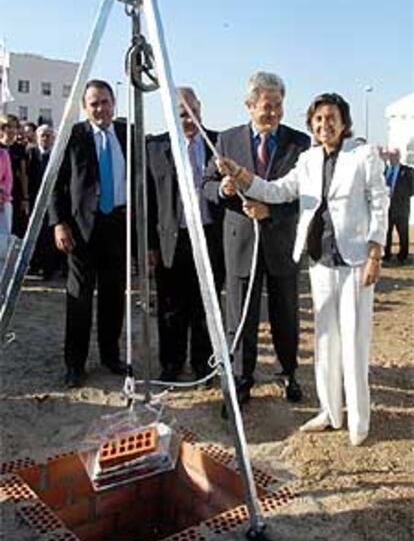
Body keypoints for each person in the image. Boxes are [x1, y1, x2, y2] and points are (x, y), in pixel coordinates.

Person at [216, 92, 389, 446]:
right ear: (311, 123)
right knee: (325, 340)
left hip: (355, 262)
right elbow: (277, 191)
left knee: (354, 342)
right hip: (320, 262)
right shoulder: (308, 159)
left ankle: (358, 419)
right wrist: (241, 175)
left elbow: (380, 202)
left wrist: (375, 253)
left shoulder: (363, 154)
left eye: (332, 118)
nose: (325, 124)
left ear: (344, 122)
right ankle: (329, 411)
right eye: (319, 119)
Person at [203, 71, 310, 408]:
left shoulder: (300, 143)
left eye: (278, 105)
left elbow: (306, 197)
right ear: (249, 105)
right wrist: (223, 189)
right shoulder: (226, 140)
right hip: (241, 242)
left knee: (286, 314)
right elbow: (205, 185)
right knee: (240, 315)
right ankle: (241, 377)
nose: (274, 113)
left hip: (281, 241)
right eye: (266, 106)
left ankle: (288, 372)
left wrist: (272, 213)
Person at [49, 79, 128, 388]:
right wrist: (59, 223)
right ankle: (75, 364)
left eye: (105, 101)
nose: (100, 108)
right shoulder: (73, 136)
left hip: (117, 227)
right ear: (85, 106)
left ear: (113, 103)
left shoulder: (127, 134)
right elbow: (56, 183)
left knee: (113, 297)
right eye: (94, 103)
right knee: (79, 299)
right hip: (81, 231)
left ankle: (111, 356)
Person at [147, 86, 224, 381]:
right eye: (182, 114)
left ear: (200, 108)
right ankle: (171, 363)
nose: (189, 119)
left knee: (206, 305)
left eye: (193, 112)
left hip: (209, 237)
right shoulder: (155, 147)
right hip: (172, 240)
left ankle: (204, 364)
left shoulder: (219, 143)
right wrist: (151, 245)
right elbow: (149, 200)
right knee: (170, 306)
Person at [27, 124, 61, 279]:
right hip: (34, 199)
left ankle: (50, 268)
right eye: (43, 135)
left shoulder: (58, 154)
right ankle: (34, 265)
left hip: (52, 201)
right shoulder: (31, 153)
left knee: (49, 234)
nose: (46, 138)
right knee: (34, 234)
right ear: (37, 137)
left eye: (49, 135)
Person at [0, 114, 29, 237]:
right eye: (8, 127)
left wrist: (25, 197)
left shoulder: (20, 148)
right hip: (1, 192)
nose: (11, 130)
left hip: (15, 192)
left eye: (14, 127)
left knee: (14, 229)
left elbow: (23, 174)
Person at [383, 147, 414, 264]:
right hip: (387, 207)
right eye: (390, 156)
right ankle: (386, 254)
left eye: (394, 156)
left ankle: (403, 255)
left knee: (403, 232)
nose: (392, 158)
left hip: (402, 208)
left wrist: (401, 196)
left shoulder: (408, 171)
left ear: (399, 157)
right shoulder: (384, 170)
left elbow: (412, 189)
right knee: (386, 232)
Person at [0, 146, 13, 273]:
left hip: (2, 203)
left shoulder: (3, 154)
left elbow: (8, 179)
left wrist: (2, 192)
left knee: (2, 242)